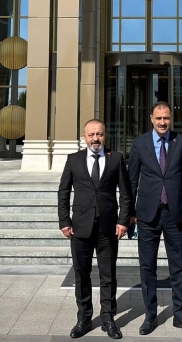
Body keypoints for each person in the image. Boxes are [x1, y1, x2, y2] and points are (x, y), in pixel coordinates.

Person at [128, 102, 182, 336]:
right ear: (151, 118)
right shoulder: (140, 143)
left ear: (171, 119)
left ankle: (181, 315)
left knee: (178, 267)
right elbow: (131, 181)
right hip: (147, 215)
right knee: (147, 267)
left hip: (175, 214)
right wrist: (129, 213)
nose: (162, 122)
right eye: (158, 118)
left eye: (166, 118)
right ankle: (150, 316)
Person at [58, 119, 133, 340]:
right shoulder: (74, 160)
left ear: (105, 135)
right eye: (91, 135)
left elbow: (126, 194)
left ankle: (108, 318)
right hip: (79, 227)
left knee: (108, 275)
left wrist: (123, 221)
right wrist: (64, 221)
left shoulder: (116, 158)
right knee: (81, 274)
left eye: (99, 134)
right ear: (84, 137)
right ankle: (84, 318)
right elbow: (63, 192)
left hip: (108, 228)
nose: (95, 138)